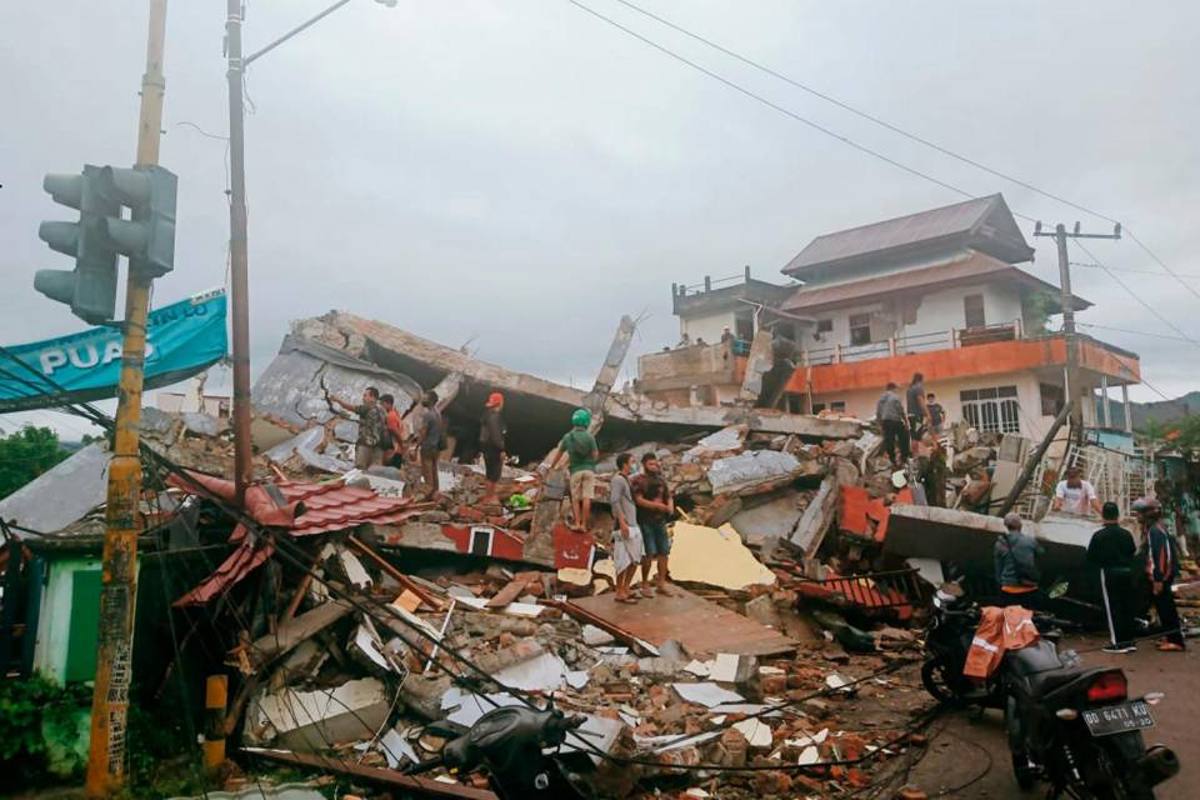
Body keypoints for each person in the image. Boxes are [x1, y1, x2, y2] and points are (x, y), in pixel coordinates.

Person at [1088, 501, 1138, 654]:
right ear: (1118, 515)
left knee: (1113, 607)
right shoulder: (1126, 534)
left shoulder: (1098, 535)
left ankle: (1117, 642)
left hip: (1109, 572)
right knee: (1127, 606)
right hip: (1127, 572)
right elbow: (1132, 551)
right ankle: (1129, 640)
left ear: (1103, 515)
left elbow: (1091, 557)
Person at [1135, 497, 1185, 651]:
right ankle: (1169, 635)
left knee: (1166, 608)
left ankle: (1176, 641)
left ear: (1147, 515)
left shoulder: (1155, 532)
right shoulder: (1155, 529)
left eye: (1139, 514)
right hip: (1161, 576)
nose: (1137, 517)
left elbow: (1161, 556)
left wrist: (1158, 579)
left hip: (1160, 577)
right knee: (1162, 607)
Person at [632, 452, 676, 597]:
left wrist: (669, 506)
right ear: (644, 464)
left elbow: (669, 497)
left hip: (660, 521)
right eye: (651, 464)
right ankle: (645, 583)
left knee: (664, 552)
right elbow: (638, 500)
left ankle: (661, 583)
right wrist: (656, 506)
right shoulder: (639, 480)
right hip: (645, 521)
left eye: (656, 463)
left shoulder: (661, 480)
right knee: (648, 553)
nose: (655, 466)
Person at [609, 453, 645, 603]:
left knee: (635, 558)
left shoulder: (626, 480)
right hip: (624, 525)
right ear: (624, 464)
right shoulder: (618, 480)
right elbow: (615, 501)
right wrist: (622, 522)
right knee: (623, 560)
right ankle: (619, 591)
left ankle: (626, 587)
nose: (634, 464)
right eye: (632, 461)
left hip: (633, 523)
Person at [328, 386, 388, 470]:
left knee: (359, 470)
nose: (363, 398)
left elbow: (351, 407)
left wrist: (338, 400)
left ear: (372, 397)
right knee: (375, 472)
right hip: (379, 447)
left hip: (365, 445)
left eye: (365, 395)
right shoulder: (383, 410)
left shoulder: (368, 407)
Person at [560, 408, 599, 531]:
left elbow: (559, 453)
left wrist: (553, 466)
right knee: (587, 497)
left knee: (576, 499)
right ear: (586, 422)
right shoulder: (590, 437)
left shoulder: (568, 437)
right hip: (589, 471)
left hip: (575, 471)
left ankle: (577, 523)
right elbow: (595, 455)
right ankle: (584, 525)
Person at [994, 513, 1043, 609]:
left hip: (1008, 588)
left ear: (1006, 526)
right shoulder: (1030, 541)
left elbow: (998, 568)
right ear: (1020, 525)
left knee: (1007, 616)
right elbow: (1041, 554)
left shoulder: (1000, 544)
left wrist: (1002, 583)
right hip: (1029, 587)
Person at [414, 390, 444, 498]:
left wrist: (416, 447)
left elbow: (423, 433)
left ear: (431, 400)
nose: (423, 399)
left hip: (427, 447)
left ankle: (429, 495)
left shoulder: (428, 415)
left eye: (425, 398)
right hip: (436, 447)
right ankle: (436, 493)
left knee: (427, 472)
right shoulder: (438, 413)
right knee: (434, 470)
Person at [478, 392, 506, 499]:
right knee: (494, 475)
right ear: (500, 403)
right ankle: (489, 498)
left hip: (487, 448)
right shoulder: (494, 417)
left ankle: (488, 497)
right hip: (493, 448)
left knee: (489, 474)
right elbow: (496, 435)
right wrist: (501, 449)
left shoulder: (487, 415)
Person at [876, 382, 910, 467]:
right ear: (893, 388)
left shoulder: (881, 398)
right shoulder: (895, 397)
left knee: (889, 441)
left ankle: (892, 460)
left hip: (885, 422)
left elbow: (878, 413)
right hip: (895, 420)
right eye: (896, 388)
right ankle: (904, 458)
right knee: (904, 437)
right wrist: (906, 422)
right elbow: (900, 410)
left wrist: (880, 424)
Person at [379, 393, 406, 468]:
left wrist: (401, 444)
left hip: (394, 450)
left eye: (382, 404)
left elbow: (394, 431)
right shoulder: (395, 413)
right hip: (397, 449)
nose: (381, 406)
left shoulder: (390, 416)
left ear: (388, 403)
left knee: (390, 472)